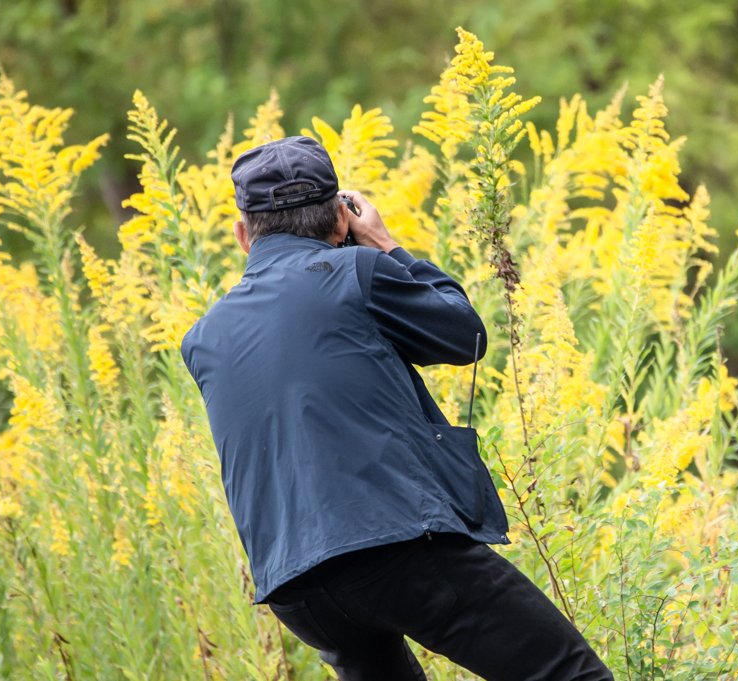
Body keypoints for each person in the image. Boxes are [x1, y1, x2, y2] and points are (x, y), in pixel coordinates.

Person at [180, 136, 613, 681]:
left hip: (298, 590)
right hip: (395, 549)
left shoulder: (202, 339)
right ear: (342, 221)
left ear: (243, 235)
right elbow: (464, 337)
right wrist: (385, 243)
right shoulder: (358, 271)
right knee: (569, 674)